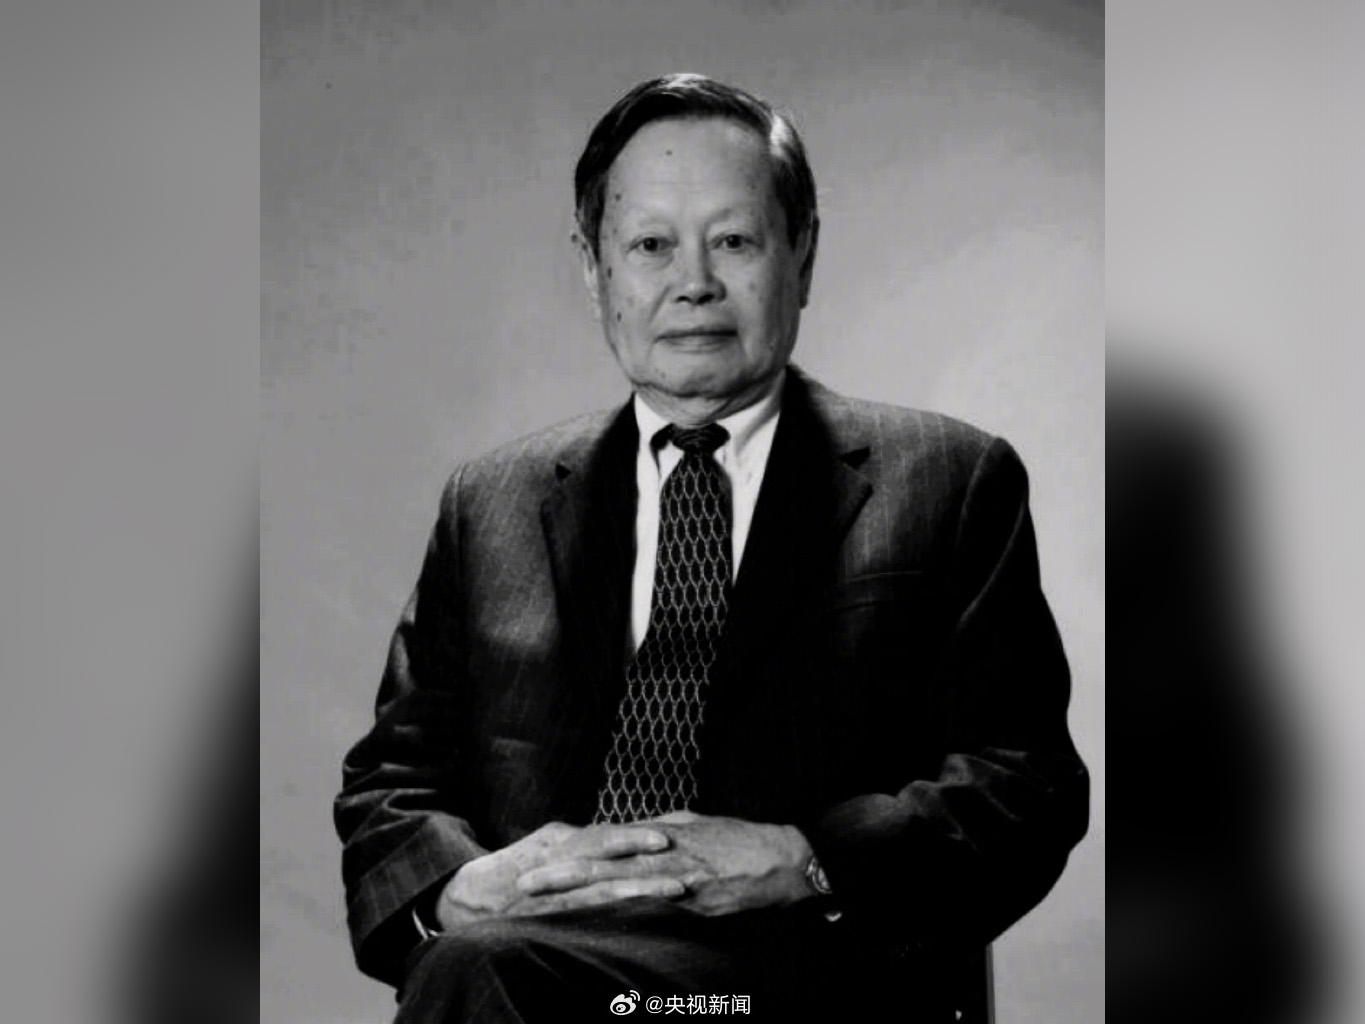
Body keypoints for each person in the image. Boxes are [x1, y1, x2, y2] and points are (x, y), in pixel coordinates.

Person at [335, 73, 1088, 1023]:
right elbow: (394, 780)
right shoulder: (491, 503)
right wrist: (457, 890)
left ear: (802, 255)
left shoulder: (949, 480)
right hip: (537, 961)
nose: (692, 283)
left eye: (733, 241)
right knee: (480, 964)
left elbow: (1025, 781)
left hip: (805, 981)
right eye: (650, 245)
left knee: (478, 977)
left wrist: (805, 858)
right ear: (593, 269)